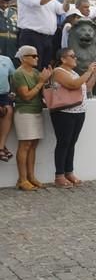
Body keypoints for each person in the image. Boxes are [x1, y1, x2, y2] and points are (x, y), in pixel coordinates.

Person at [50, 48, 96, 188]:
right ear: (63, 59)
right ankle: (59, 175)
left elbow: (86, 87)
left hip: (78, 111)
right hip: (64, 112)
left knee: (72, 142)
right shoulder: (58, 72)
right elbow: (73, 85)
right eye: (72, 56)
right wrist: (88, 71)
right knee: (63, 142)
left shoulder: (73, 72)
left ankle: (69, 171)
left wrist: (94, 75)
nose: (75, 58)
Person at [12, 45, 52, 190]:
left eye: (36, 55)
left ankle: (31, 176)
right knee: (25, 145)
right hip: (24, 112)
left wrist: (46, 80)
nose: (37, 58)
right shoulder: (19, 74)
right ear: (23, 58)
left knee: (33, 145)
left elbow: (43, 92)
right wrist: (41, 81)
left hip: (36, 111)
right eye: (33, 56)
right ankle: (22, 179)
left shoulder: (35, 72)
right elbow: (26, 96)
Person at [16, 0, 71, 69]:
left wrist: (67, 0)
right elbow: (39, 2)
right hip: (31, 36)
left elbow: (62, 9)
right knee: (31, 70)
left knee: (44, 69)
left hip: (48, 39)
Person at [0, 50, 16, 162]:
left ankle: (1, 147)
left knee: (8, 110)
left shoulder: (6, 59)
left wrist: (13, 91)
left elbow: (13, 77)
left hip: (4, 95)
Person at [0, 0, 19, 66]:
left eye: (7, 3)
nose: (5, 5)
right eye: (2, 2)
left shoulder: (16, 13)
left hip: (13, 48)